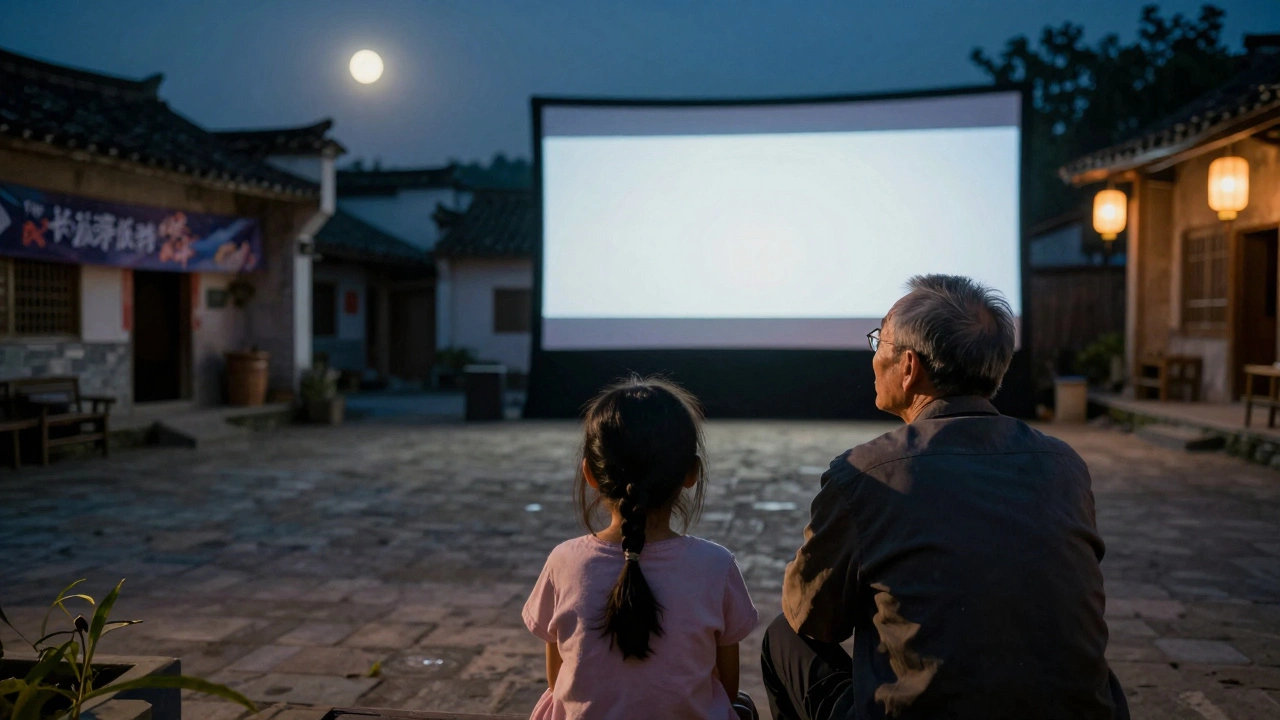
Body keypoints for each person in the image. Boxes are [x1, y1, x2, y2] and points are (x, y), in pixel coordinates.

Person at [761, 275, 1129, 720]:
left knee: (784, 636)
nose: (874, 356)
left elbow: (812, 616)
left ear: (909, 366)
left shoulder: (867, 473)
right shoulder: (1064, 465)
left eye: (880, 341)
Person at [523, 376, 760, 720]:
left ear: (589, 472)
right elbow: (728, 687)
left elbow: (557, 679)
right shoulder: (716, 565)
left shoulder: (564, 562)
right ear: (691, 473)